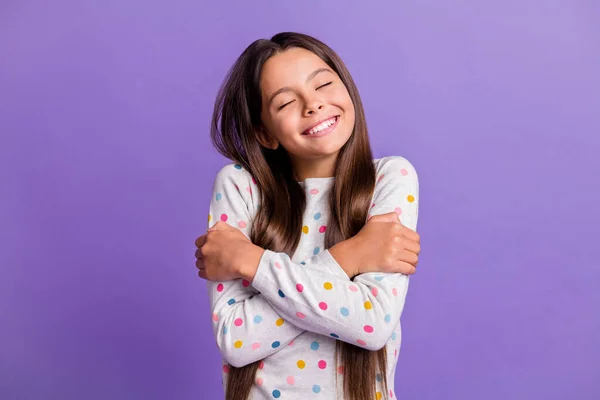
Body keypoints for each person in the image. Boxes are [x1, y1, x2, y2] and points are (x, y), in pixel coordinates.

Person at [194, 32, 421, 400]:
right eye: (286, 103)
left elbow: (371, 324)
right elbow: (236, 340)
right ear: (265, 134)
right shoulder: (240, 187)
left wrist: (252, 262)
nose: (313, 105)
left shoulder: (390, 179)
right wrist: (351, 256)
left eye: (324, 84)